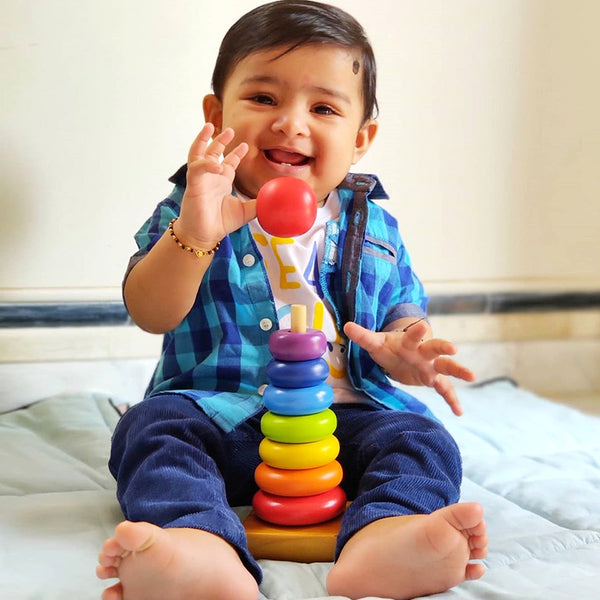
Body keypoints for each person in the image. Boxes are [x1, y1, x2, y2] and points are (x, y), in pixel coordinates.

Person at [96, 2, 488, 599]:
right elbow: (152, 313)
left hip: (344, 424)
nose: (291, 123)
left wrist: (407, 347)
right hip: (219, 416)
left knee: (422, 441)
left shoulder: (373, 226)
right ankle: (196, 546)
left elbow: (403, 312)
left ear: (360, 140)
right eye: (263, 99)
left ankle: (389, 535)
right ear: (214, 115)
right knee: (150, 432)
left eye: (323, 108)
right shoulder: (189, 211)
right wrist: (198, 234)